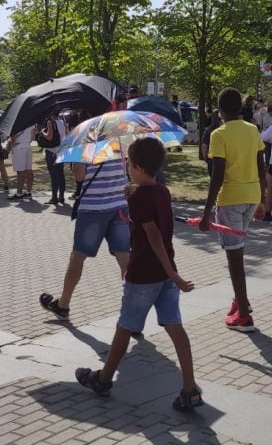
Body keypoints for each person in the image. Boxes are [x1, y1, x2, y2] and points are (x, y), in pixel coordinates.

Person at [73, 137, 202, 411]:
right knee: (174, 326)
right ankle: (190, 388)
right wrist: (172, 273)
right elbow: (153, 217)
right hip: (166, 274)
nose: (127, 168)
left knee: (125, 326)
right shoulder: (161, 192)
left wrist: (173, 274)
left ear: (140, 168)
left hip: (144, 274)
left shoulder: (140, 198)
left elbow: (153, 236)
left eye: (130, 164)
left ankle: (104, 378)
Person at [201, 87, 266, 333]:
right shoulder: (252, 130)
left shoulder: (219, 134)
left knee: (234, 258)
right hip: (251, 197)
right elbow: (261, 165)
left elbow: (217, 176)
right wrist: (262, 199)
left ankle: (245, 315)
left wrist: (206, 214)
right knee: (236, 252)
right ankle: (241, 300)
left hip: (230, 199)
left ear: (219, 110)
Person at [39, 146, 131, 321]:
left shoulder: (87, 145)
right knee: (125, 258)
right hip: (120, 206)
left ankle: (63, 304)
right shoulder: (119, 142)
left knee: (78, 256)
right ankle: (131, 311)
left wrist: (78, 157)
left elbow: (80, 176)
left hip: (93, 210)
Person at [42, 115, 69, 204]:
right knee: (60, 174)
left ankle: (54, 197)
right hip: (60, 150)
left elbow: (49, 137)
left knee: (53, 175)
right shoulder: (62, 122)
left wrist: (42, 132)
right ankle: (61, 196)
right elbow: (67, 134)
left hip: (51, 151)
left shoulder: (50, 122)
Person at [9, 122, 36, 200]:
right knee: (28, 170)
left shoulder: (17, 122)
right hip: (27, 146)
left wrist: (12, 145)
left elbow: (13, 137)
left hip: (19, 146)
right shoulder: (32, 123)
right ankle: (28, 191)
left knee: (20, 171)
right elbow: (33, 137)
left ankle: (19, 193)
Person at [199, 110, 221, 177]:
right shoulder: (226, 130)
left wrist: (206, 158)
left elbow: (204, 146)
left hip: (212, 159)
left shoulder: (209, 130)